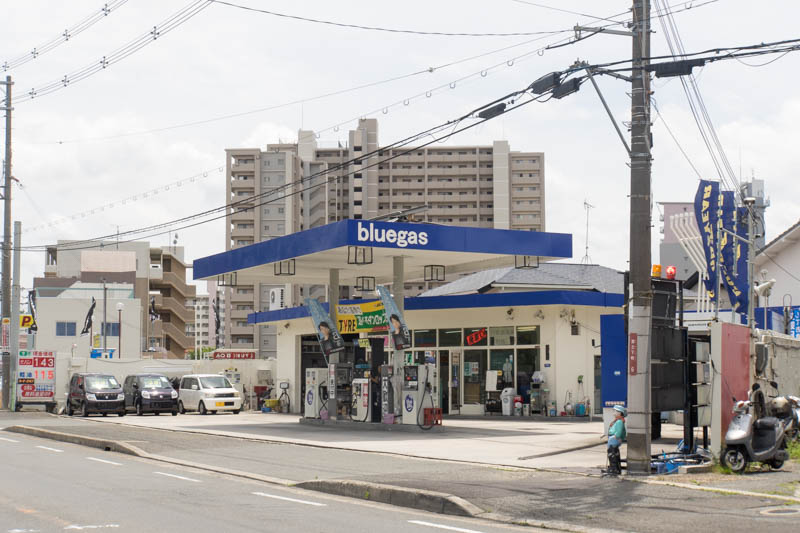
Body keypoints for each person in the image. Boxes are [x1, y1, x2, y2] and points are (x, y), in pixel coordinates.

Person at [605, 405, 627, 476]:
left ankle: (614, 468)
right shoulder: (618, 421)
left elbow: (619, 432)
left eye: (615, 411)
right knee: (614, 452)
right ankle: (616, 468)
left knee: (612, 453)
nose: (614, 412)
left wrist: (614, 436)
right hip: (613, 439)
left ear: (619, 413)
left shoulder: (619, 422)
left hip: (614, 439)